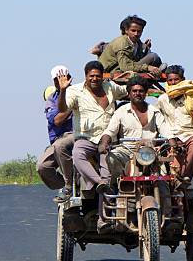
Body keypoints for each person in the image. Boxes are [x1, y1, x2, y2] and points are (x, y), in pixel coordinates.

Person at [56, 60, 128, 196]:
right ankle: (98, 181)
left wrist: (150, 89)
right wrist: (63, 90)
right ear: (86, 76)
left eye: (97, 76)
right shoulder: (74, 91)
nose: (94, 79)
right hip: (86, 138)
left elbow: (128, 90)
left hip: (108, 140)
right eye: (91, 76)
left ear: (102, 77)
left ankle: (103, 214)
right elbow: (63, 108)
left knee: (108, 171)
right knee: (77, 154)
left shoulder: (110, 87)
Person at [98, 75, 174, 178]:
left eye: (141, 91)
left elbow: (166, 131)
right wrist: (104, 143)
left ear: (145, 93)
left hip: (150, 151)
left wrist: (172, 142)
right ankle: (121, 182)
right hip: (127, 150)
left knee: (163, 182)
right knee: (111, 157)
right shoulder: (121, 111)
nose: (137, 94)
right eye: (134, 91)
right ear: (129, 94)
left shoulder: (154, 111)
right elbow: (110, 131)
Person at [156, 65, 193, 185]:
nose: (173, 83)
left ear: (183, 80)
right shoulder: (162, 100)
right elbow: (157, 118)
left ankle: (185, 178)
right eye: (170, 80)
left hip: (189, 135)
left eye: (176, 79)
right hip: (170, 137)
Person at [36, 65, 75, 203]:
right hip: (60, 137)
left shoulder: (79, 92)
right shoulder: (52, 99)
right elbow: (57, 120)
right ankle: (67, 184)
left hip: (78, 135)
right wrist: (71, 107)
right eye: (57, 79)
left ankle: (70, 186)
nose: (61, 81)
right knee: (43, 166)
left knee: (60, 145)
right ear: (54, 82)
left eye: (65, 77)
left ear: (70, 78)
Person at [97, 15, 164, 74]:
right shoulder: (122, 44)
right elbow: (125, 67)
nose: (136, 34)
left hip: (124, 69)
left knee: (153, 56)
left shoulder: (137, 42)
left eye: (139, 31)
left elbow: (136, 60)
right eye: (133, 30)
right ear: (126, 30)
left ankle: (162, 71)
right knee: (153, 56)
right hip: (114, 71)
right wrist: (147, 68)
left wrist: (145, 49)